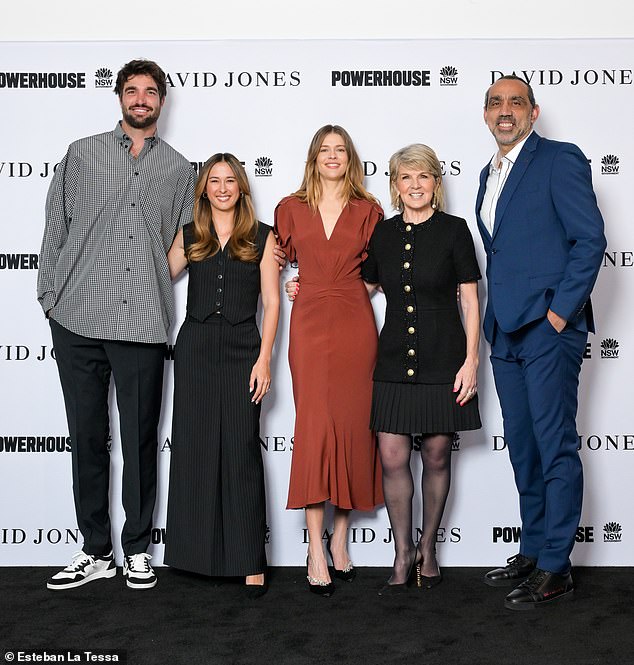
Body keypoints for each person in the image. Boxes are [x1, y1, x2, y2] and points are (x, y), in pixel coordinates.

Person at [37, 59, 195, 590]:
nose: (142, 99)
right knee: (86, 436)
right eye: (133, 91)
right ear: (120, 98)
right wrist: (49, 295)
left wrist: (155, 280)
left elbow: (182, 240)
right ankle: (95, 549)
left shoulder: (178, 168)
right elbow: (54, 225)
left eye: (151, 92)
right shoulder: (81, 154)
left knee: (141, 439)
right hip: (77, 317)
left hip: (142, 322)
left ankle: (137, 549)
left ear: (162, 102)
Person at [476, 75, 606, 610]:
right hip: (505, 330)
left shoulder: (559, 158)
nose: (504, 111)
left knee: (555, 447)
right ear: (485, 114)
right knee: (524, 447)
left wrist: (558, 314)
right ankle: (532, 548)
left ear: (533, 111)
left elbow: (590, 239)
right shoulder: (488, 173)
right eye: (495, 103)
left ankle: (556, 565)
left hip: (548, 330)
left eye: (515, 102)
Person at [361, 144, 481, 593]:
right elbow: (362, 285)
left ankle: (428, 548)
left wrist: (471, 361)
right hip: (392, 360)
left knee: (434, 456)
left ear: (436, 183)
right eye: (405, 178)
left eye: (423, 177)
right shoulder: (384, 234)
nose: (414, 185)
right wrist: (304, 284)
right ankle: (402, 551)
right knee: (392, 458)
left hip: (444, 359)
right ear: (394, 185)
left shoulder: (454, 231)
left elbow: (470, 300)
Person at [275, 125, 384, 596]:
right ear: (313, 157)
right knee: (316, 427)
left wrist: (361, 288)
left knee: (354, 426)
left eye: (341, 150)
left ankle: (339, 540)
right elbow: (273, 263)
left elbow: (380, 273)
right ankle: (313, 546)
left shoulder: (370, 210)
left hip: (355, 324)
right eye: (325, 149)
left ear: (351, 158)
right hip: (309, 322)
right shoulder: (289, 208)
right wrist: (287, 285)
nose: (333, 156)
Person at [164, 153, 279, 598]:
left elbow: (272, 303)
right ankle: (193, 556)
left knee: (240, 449)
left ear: (242, 187)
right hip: (194, 350)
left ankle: (249, 560)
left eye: (231, 180)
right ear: (204, 188)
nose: (223, 187)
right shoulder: (189, 235)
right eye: (215, 180)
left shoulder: (262, 237)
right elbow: (158, 279)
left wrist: (264, 358)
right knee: (193, 447)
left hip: (241, 350)